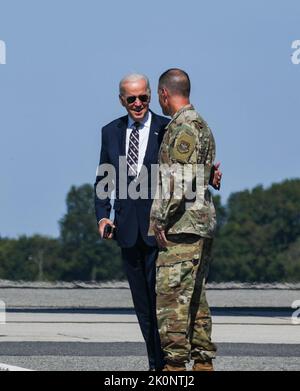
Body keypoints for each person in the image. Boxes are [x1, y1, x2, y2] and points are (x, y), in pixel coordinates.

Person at [94, 73, 221, 371]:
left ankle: (172, 365)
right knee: (145, 308)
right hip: (127, 230)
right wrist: (102, 214)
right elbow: (103, 177)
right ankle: (157, 364)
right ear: (121, 100)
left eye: (143, 97)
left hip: (164, 233)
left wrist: (208, 177)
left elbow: (187, 169)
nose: (138, 104)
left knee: (169, 305)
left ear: (155, 95)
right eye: (131, 99)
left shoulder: (170, 126)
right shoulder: (110, 132)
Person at [150, 68, 218, 371]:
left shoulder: (184, 128)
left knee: (172, 300)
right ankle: (203, 362)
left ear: (165, 94)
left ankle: (175, 367)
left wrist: (159, 219)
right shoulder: (201, 124)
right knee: (195, 300)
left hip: (183, 227)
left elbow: (178, 180)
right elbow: (201, 174)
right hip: (199, 225)